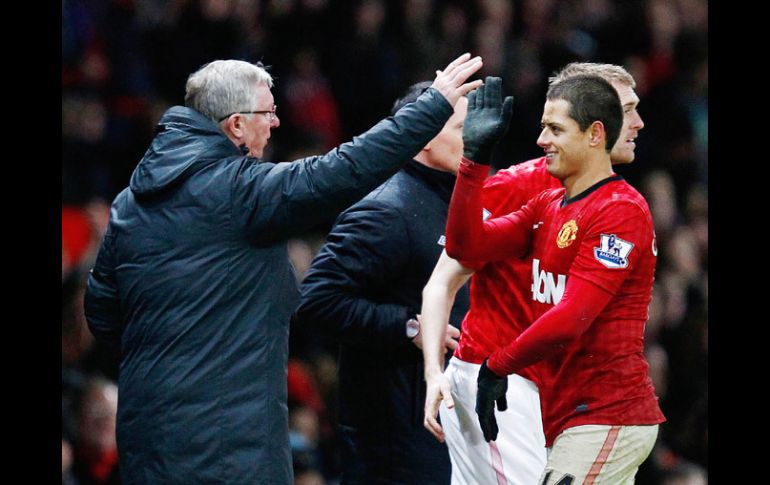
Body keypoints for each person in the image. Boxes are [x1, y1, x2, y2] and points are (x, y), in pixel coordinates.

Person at [83, 54, 484, 484]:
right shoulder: (241, 193)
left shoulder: (128, 204)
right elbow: (343, 169)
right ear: (237, 125)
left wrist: (172, 352)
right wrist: (430, 109)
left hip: (146, 437)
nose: (276, 123)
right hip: (228, 445)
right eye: (268, 113)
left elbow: (102, 315)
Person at [422, 63, 647, 485]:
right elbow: (444, 276)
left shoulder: (613, 204)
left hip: (554, 392)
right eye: (627, 110)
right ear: (594, 124)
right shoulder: (523, 188)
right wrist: (434, 371)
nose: (637, 123)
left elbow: (579, 316)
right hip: (501, 385)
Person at [294, 81, 471, 484]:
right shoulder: (385, 210)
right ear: (425, 135)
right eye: (462, 128)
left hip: (446, 425)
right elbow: (316, 301)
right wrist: (408, 326)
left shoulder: (457, 202)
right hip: (396, 441)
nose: (475, 139)